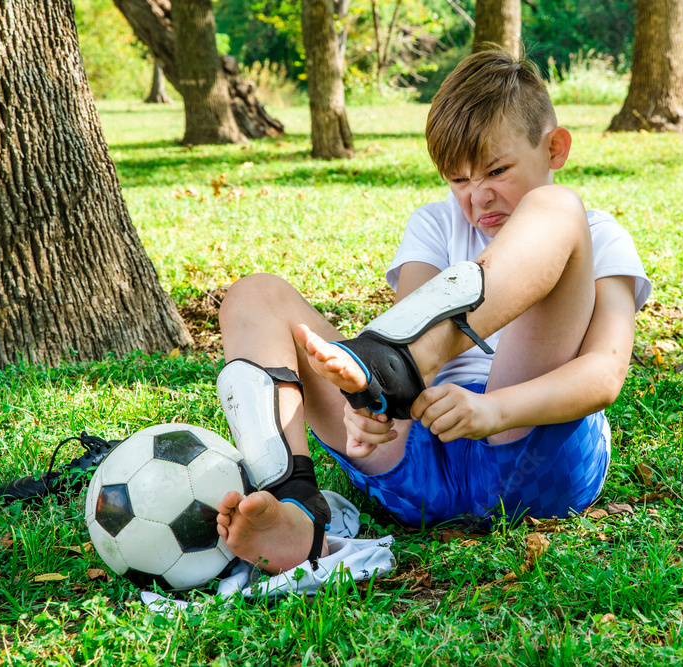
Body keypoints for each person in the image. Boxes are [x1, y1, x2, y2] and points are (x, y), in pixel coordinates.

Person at [214, 47, 651, 574]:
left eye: (496, 170)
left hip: (528, 449)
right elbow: (411, 317)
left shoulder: (596, 233)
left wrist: (493, 410)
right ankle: (296, 506)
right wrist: (371, 411)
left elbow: (604, 373)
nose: (478, 197)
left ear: (554, 147)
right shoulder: (435, 224)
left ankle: (390, 370)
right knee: (253, 295)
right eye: (458, 179)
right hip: (415, 458)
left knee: (558, 210)